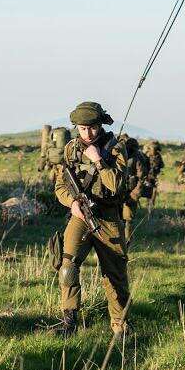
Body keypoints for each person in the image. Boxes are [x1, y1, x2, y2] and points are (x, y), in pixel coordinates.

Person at [52, 101, 134, 340]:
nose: (88, 133)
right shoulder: (70, 149)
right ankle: (69, 321)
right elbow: (60, 185)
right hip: (81, 216)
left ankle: (120, 327)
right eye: (82, 128)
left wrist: (99, 160)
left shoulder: (115, 148)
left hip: (108, 218)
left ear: (101, 125)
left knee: (114, 274)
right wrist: (72, 203)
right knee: (67, 265)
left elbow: (117, 186)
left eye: (93, 128)